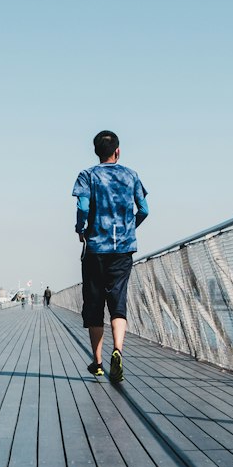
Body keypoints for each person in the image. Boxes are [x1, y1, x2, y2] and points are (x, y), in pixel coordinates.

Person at [72, 129, 148, 383]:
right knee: (118, 302)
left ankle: (98, 362)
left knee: (94, 305)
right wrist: (129, 227)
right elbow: (144, 209)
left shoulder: (87, 176)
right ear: (118, 151)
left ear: (96, 152)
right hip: (123, 249)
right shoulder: (131, 176)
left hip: (95, 248)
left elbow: (83, 207)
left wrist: (81, 228)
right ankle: (118, 350)